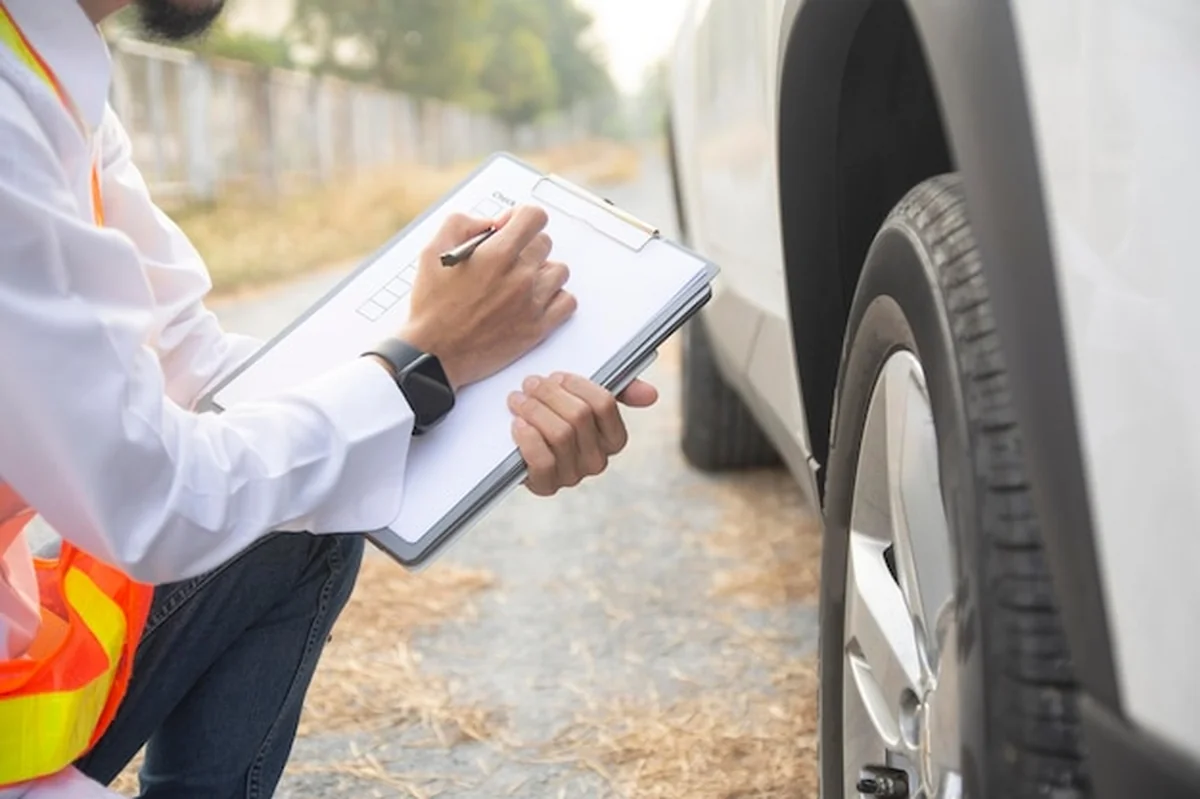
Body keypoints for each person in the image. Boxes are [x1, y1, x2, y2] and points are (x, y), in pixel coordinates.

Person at [0, 0, 660, 797]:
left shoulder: (53, 80)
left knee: (307, 515)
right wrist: (427, 360)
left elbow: (208, 374)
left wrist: (499, 389)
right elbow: (153, 496)